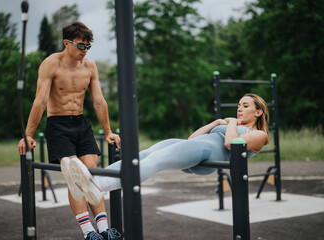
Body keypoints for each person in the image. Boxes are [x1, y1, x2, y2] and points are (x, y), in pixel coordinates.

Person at [61, 93, 270, 203]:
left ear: (258, 113)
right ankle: (89, 182)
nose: (239, 108)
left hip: (207, 154)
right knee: (142, 155)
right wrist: (216, 123)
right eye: (239, 105)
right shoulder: (227, 126)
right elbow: (192, 137)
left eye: (245, 106)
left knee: (156, 161)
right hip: (194, 146)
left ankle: (100, 186)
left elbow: (229, 144)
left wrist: (231, 123)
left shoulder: (259, 135)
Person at [17, 21, 122, 240]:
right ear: (67, 43)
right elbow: (40, 101)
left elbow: (99, 101)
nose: (85, 51)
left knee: (92, 175)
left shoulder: (90, 67)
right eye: (81, 46)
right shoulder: (51, 64)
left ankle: (104, 229)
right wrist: (28, 134)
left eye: (88, 47)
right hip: (58, 125)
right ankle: (88, 232)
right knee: (76, 177)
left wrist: (109, 131)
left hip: (81, 124)